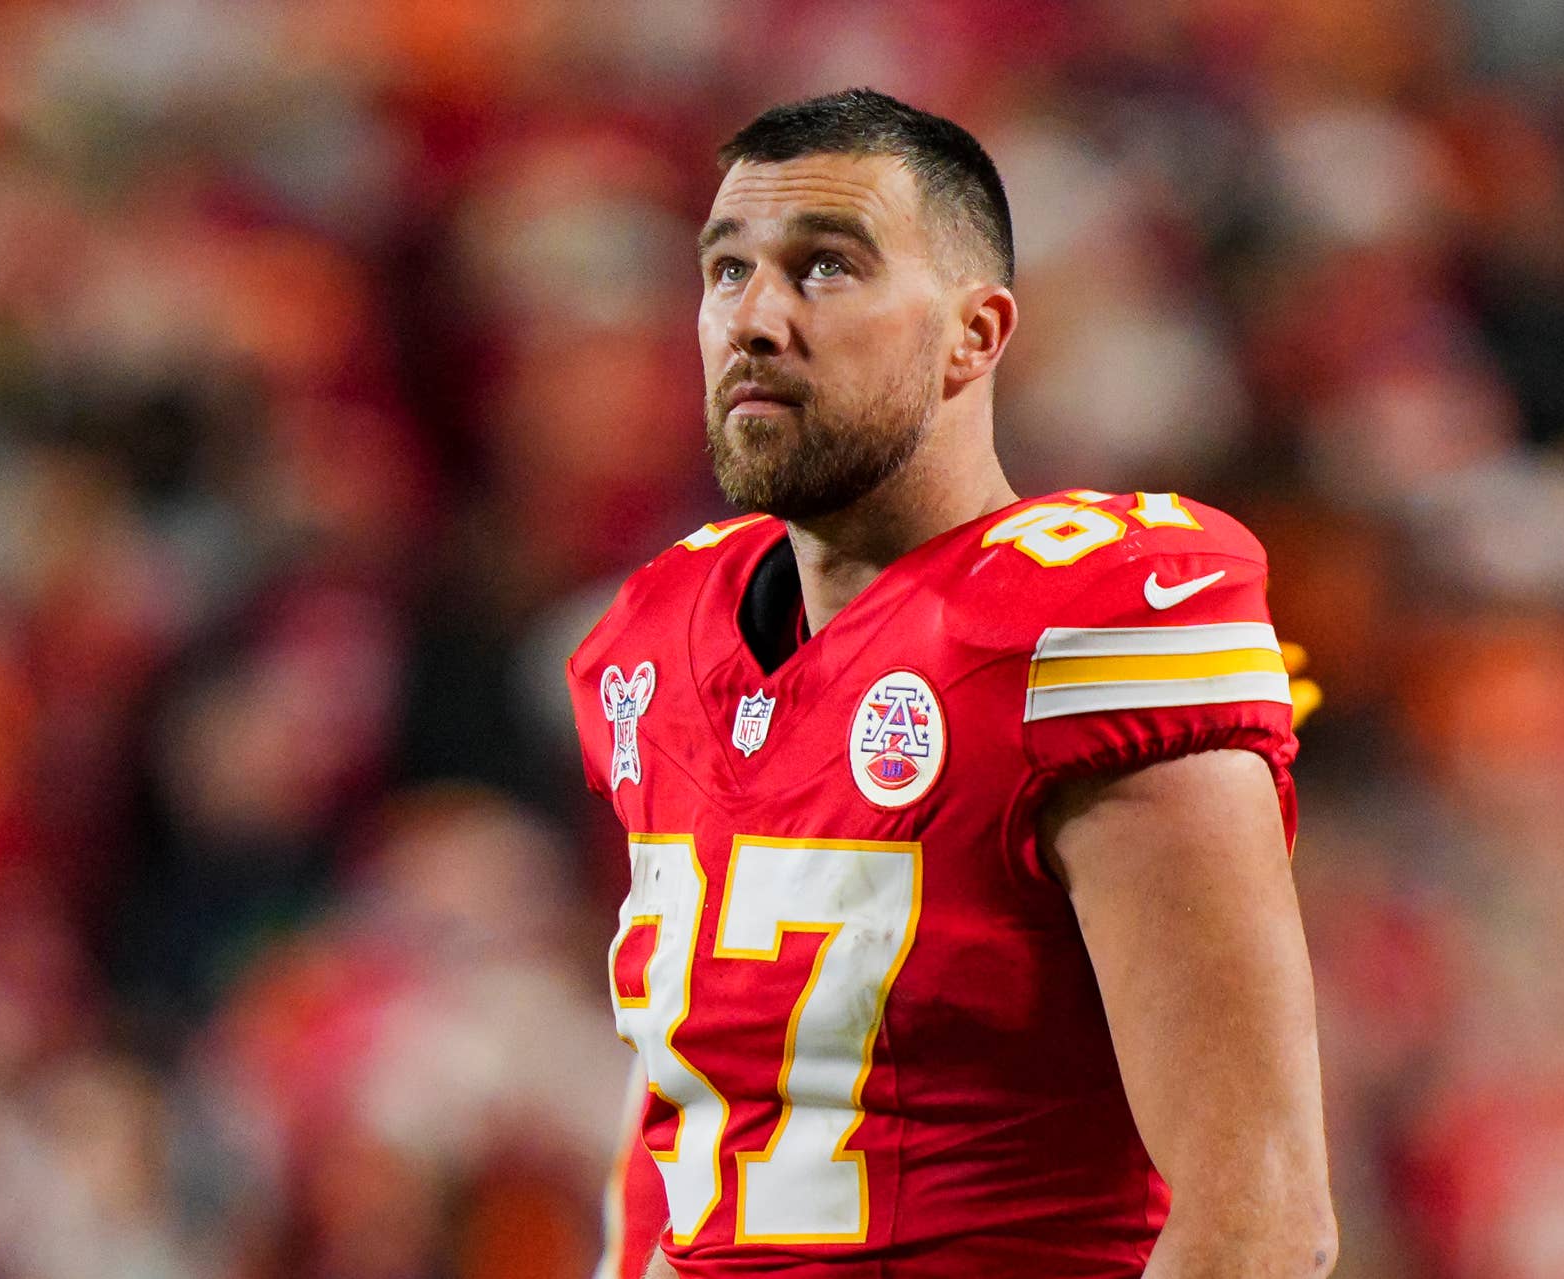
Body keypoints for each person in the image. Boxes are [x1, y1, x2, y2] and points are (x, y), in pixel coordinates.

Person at [567, 88, 1335, 1279]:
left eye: (826, 267)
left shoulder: (1089, 628)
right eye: (727, 271)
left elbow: (1259, 1223)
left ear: (975, 334)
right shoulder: (661, 637)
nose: (755, 318)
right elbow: (713, 1153)